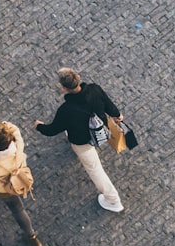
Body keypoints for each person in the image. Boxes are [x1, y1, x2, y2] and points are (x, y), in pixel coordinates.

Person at [34, 67, 124, 212]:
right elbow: (109, 105)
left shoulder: (66, 109)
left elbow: (52, 130)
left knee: (95, 170)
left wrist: (39, 126)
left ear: (63, 88)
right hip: (99, 131)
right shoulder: (94, 89)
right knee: (94, 167)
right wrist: (117, 114)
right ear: (79, 78)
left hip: (81, 141)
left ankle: (114, 200)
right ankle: (112, 201)